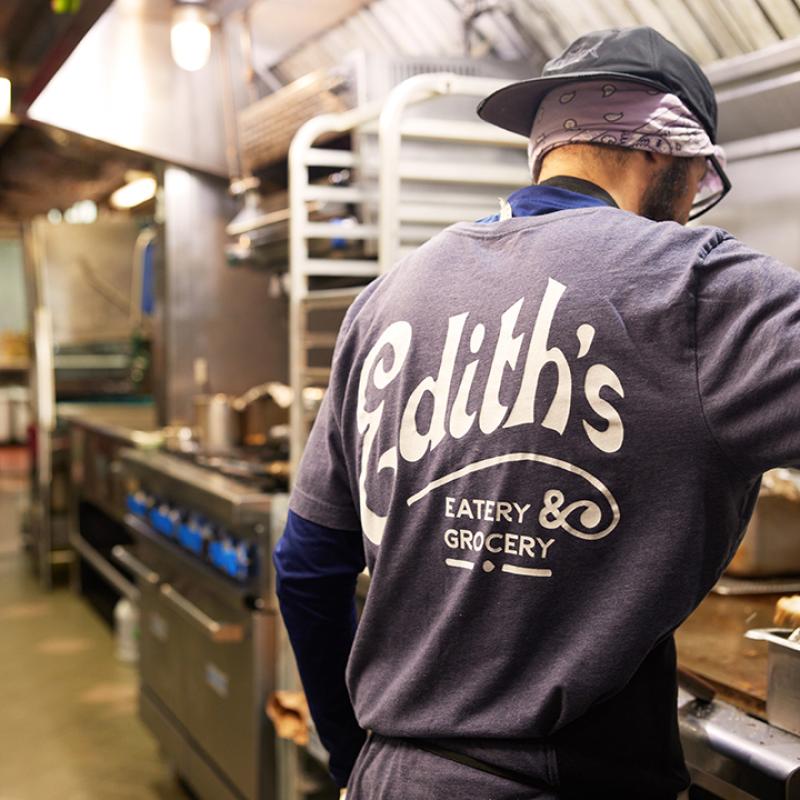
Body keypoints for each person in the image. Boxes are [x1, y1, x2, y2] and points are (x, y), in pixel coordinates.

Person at [273, 26, 797, 799]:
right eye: (694, 183)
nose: (688, 211)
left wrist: (357, 759)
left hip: (393, 775)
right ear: (664, 153)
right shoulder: (701, 289)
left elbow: (307, 569)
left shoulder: (387, 299)